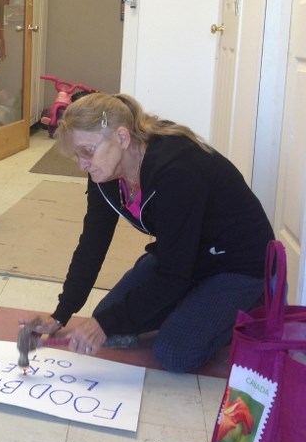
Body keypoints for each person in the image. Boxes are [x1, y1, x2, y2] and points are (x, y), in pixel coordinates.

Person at [25, 92, 274, 373]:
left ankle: (251, 304)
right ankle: (195, 302)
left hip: (238, 265)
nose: (82, 164)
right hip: (185, 255)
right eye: (77, 155)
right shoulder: (105, 172)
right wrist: (61, 314)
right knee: (109, 323)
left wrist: (106, 324)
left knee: (174, 353)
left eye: (88, 151)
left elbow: (173, 274)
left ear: (121, 137)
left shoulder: (176, 171)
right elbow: (92, 243)